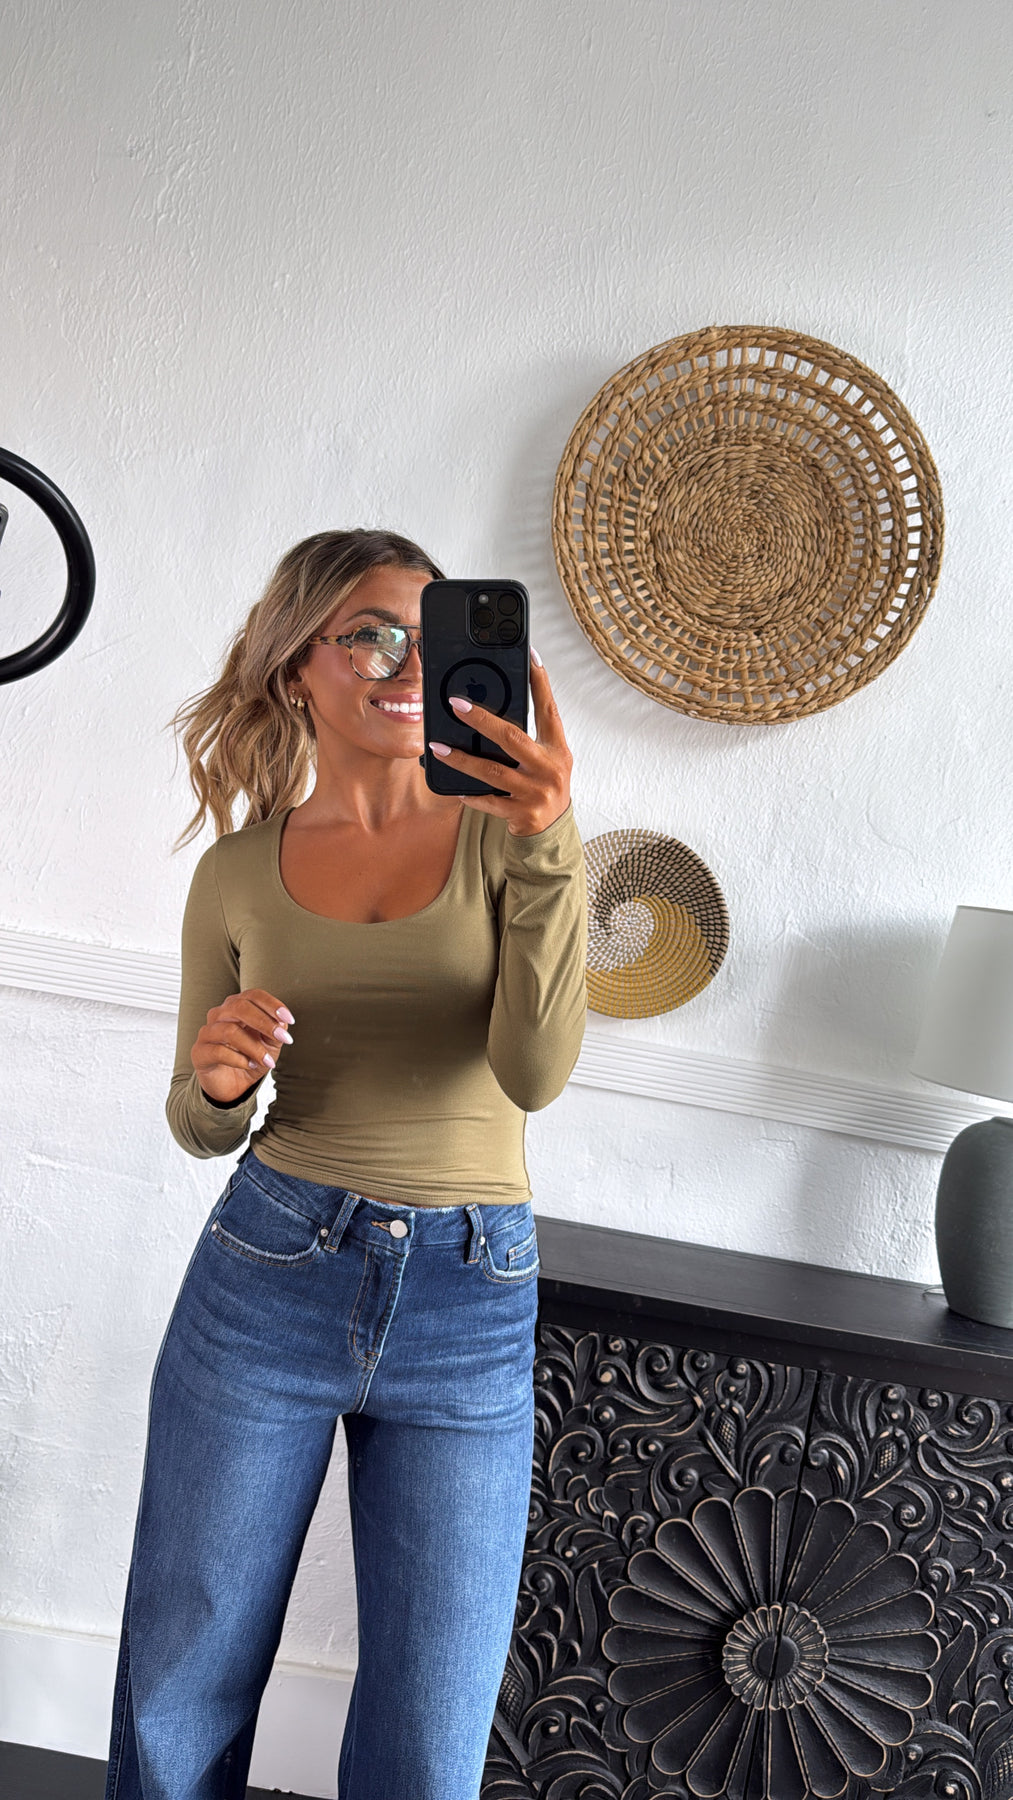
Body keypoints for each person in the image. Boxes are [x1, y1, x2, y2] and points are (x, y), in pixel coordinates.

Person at [103, 528, 587, 1800]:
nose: (408, 665)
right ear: (295, 665)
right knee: (182, 1683)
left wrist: (549, 839)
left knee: (429, 1738)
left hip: (469, 1296)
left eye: (429, 638)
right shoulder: (234, 874)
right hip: (270, 1265)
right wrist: (218, 1082)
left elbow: (534, 1074)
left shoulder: (511, 838)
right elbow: (200, 1121)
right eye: (371, 636)